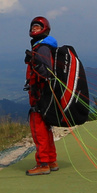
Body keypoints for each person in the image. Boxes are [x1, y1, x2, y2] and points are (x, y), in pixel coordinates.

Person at [24, 16, 61, 175]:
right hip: (44, 95)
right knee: (46, 129)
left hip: (40, 96)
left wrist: (35, 62)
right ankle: (51, 161)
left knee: (39, 130)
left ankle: (43, 164)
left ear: (44, 28)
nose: (34, 29)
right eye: (33, 27)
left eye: (37, 27)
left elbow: (46, 73)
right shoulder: (43, 47)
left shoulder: (42, 48)